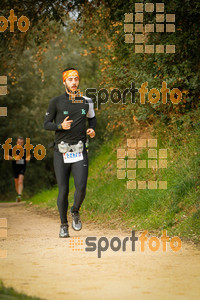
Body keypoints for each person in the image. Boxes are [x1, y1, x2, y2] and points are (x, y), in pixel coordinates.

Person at [44, 68, 96, 238]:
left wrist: (92, 129)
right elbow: (46, 124)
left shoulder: (86, 101)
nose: (74, 82)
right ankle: (63, 225)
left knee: (81, 187)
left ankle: (75, 211)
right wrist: (60, 126)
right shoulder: (56, 102)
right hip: (62, 152)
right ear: (64, 82)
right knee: (63, 190)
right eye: (70, 79)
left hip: (80, 150)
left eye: (76, 79)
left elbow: (92, 118)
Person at [9, 136, 30, 202]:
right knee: (16, 181)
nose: (20, 143)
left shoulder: (25, 149)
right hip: (15, 167)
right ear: (16, 142)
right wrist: (15, 158)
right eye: (19, 142)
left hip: (22, 167)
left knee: (20, 180)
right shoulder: (12, 149)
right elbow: (8, 157)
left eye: (21, 142)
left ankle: (19, 195)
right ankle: (18, 194)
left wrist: (27, 159)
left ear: (23, 143)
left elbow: (28, 156)